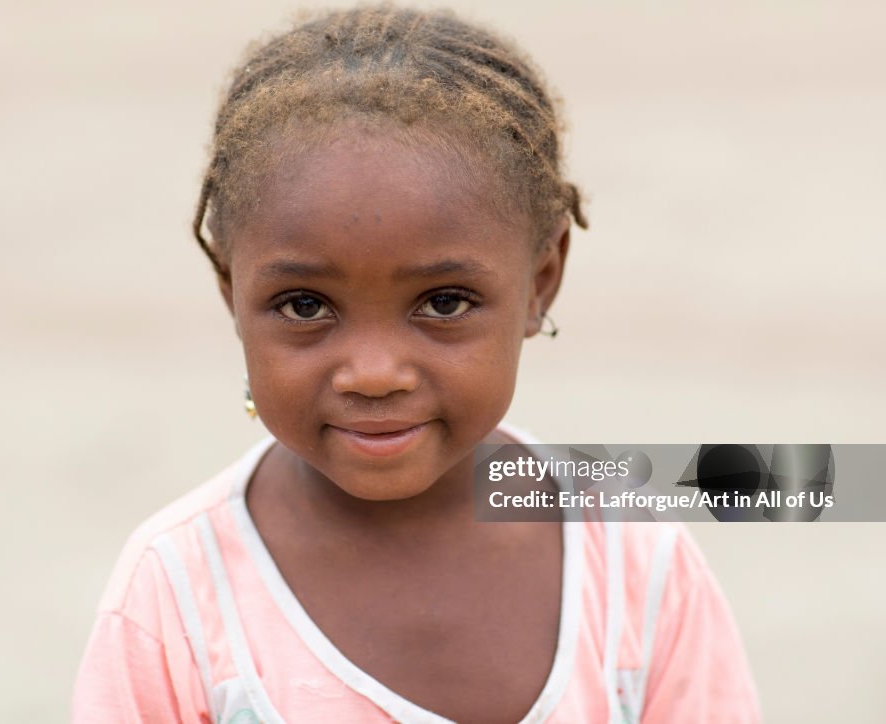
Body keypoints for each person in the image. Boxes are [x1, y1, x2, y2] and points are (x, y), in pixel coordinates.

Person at [71, 4, 761, 722]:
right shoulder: (177, 598)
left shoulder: (633, 563)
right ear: (232, 295)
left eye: (444, 302)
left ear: (540, 279)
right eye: (305, 306)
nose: (374, 372)